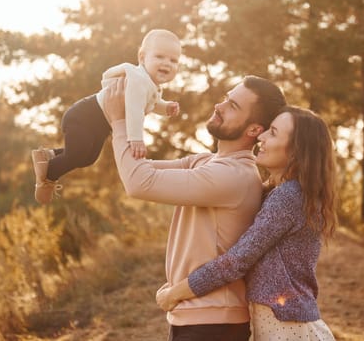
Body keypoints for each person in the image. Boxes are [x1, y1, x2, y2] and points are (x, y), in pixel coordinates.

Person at [103, 74, 287, 341]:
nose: (219, 106)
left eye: (233, 106)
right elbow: (138, 171)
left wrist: (119, 121)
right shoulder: (208, 162)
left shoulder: (233, 175)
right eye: (226, 98)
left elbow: (138, 183)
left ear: (254, 130)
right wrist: (128, 111)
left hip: (212, 324)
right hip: (200, 317)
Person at [156, 106, 338, 341]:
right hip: (280, 324)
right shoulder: (282, 192)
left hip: (288, 329)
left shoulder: (289, 197)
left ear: (296, 151)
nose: (260, 137)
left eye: (272, 133)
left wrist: (175, 293)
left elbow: (236, 261)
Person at [31, 28, 181, 204]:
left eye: (173, 60)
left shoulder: (150, 85)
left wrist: (166, 107)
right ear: (142, 58)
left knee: (88, 158)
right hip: (84, 117)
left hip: (98, 124)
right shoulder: (138, 80)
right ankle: (47, 176)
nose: (167, 63)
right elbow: (134, 109)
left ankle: (48, 155)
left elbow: (151, 103)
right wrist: (136, 139)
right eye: (160, 57)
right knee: (78, 154)